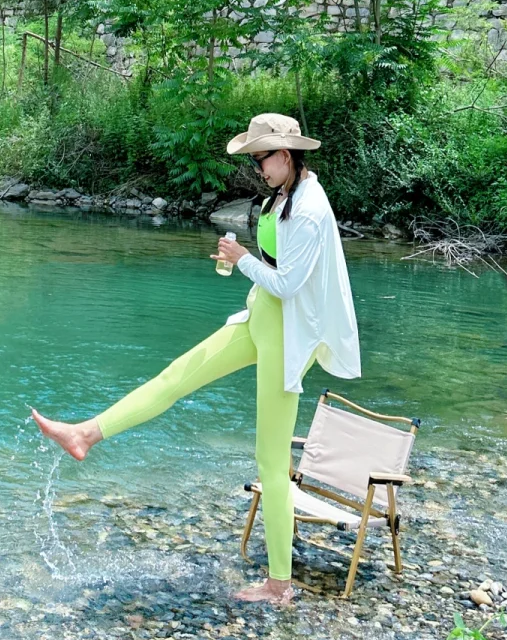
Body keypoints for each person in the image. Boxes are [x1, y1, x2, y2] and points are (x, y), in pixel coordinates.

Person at [32, 112, 360, 607]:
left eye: (262, 159)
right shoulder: (286, 194)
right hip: (261, 320)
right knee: (175, 376)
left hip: (287, 335)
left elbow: (289, 285)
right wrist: (247, 263)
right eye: (254, 160)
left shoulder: (310, 209)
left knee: (271, 463)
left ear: (286, 155)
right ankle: (85, 434)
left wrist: (240, 259)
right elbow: (278, 274)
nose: (258, 170)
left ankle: (280, 584)